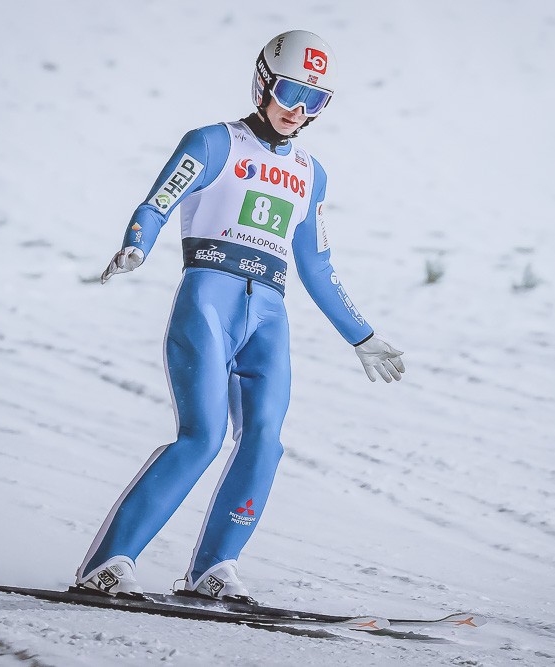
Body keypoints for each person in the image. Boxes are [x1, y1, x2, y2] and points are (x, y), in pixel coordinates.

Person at [75, 30, 406, 603]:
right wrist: (137, 244)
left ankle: (214, 568)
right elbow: (158, 202)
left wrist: (362, 334)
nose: (298, 110)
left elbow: (317, 265)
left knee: (264, 441)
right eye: (290, 93)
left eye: (315, 100)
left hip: (269, 314)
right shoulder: (213, 142)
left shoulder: (311, 172)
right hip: (209, 299)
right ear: (262, 84)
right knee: (202, 437)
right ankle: (107, 563)